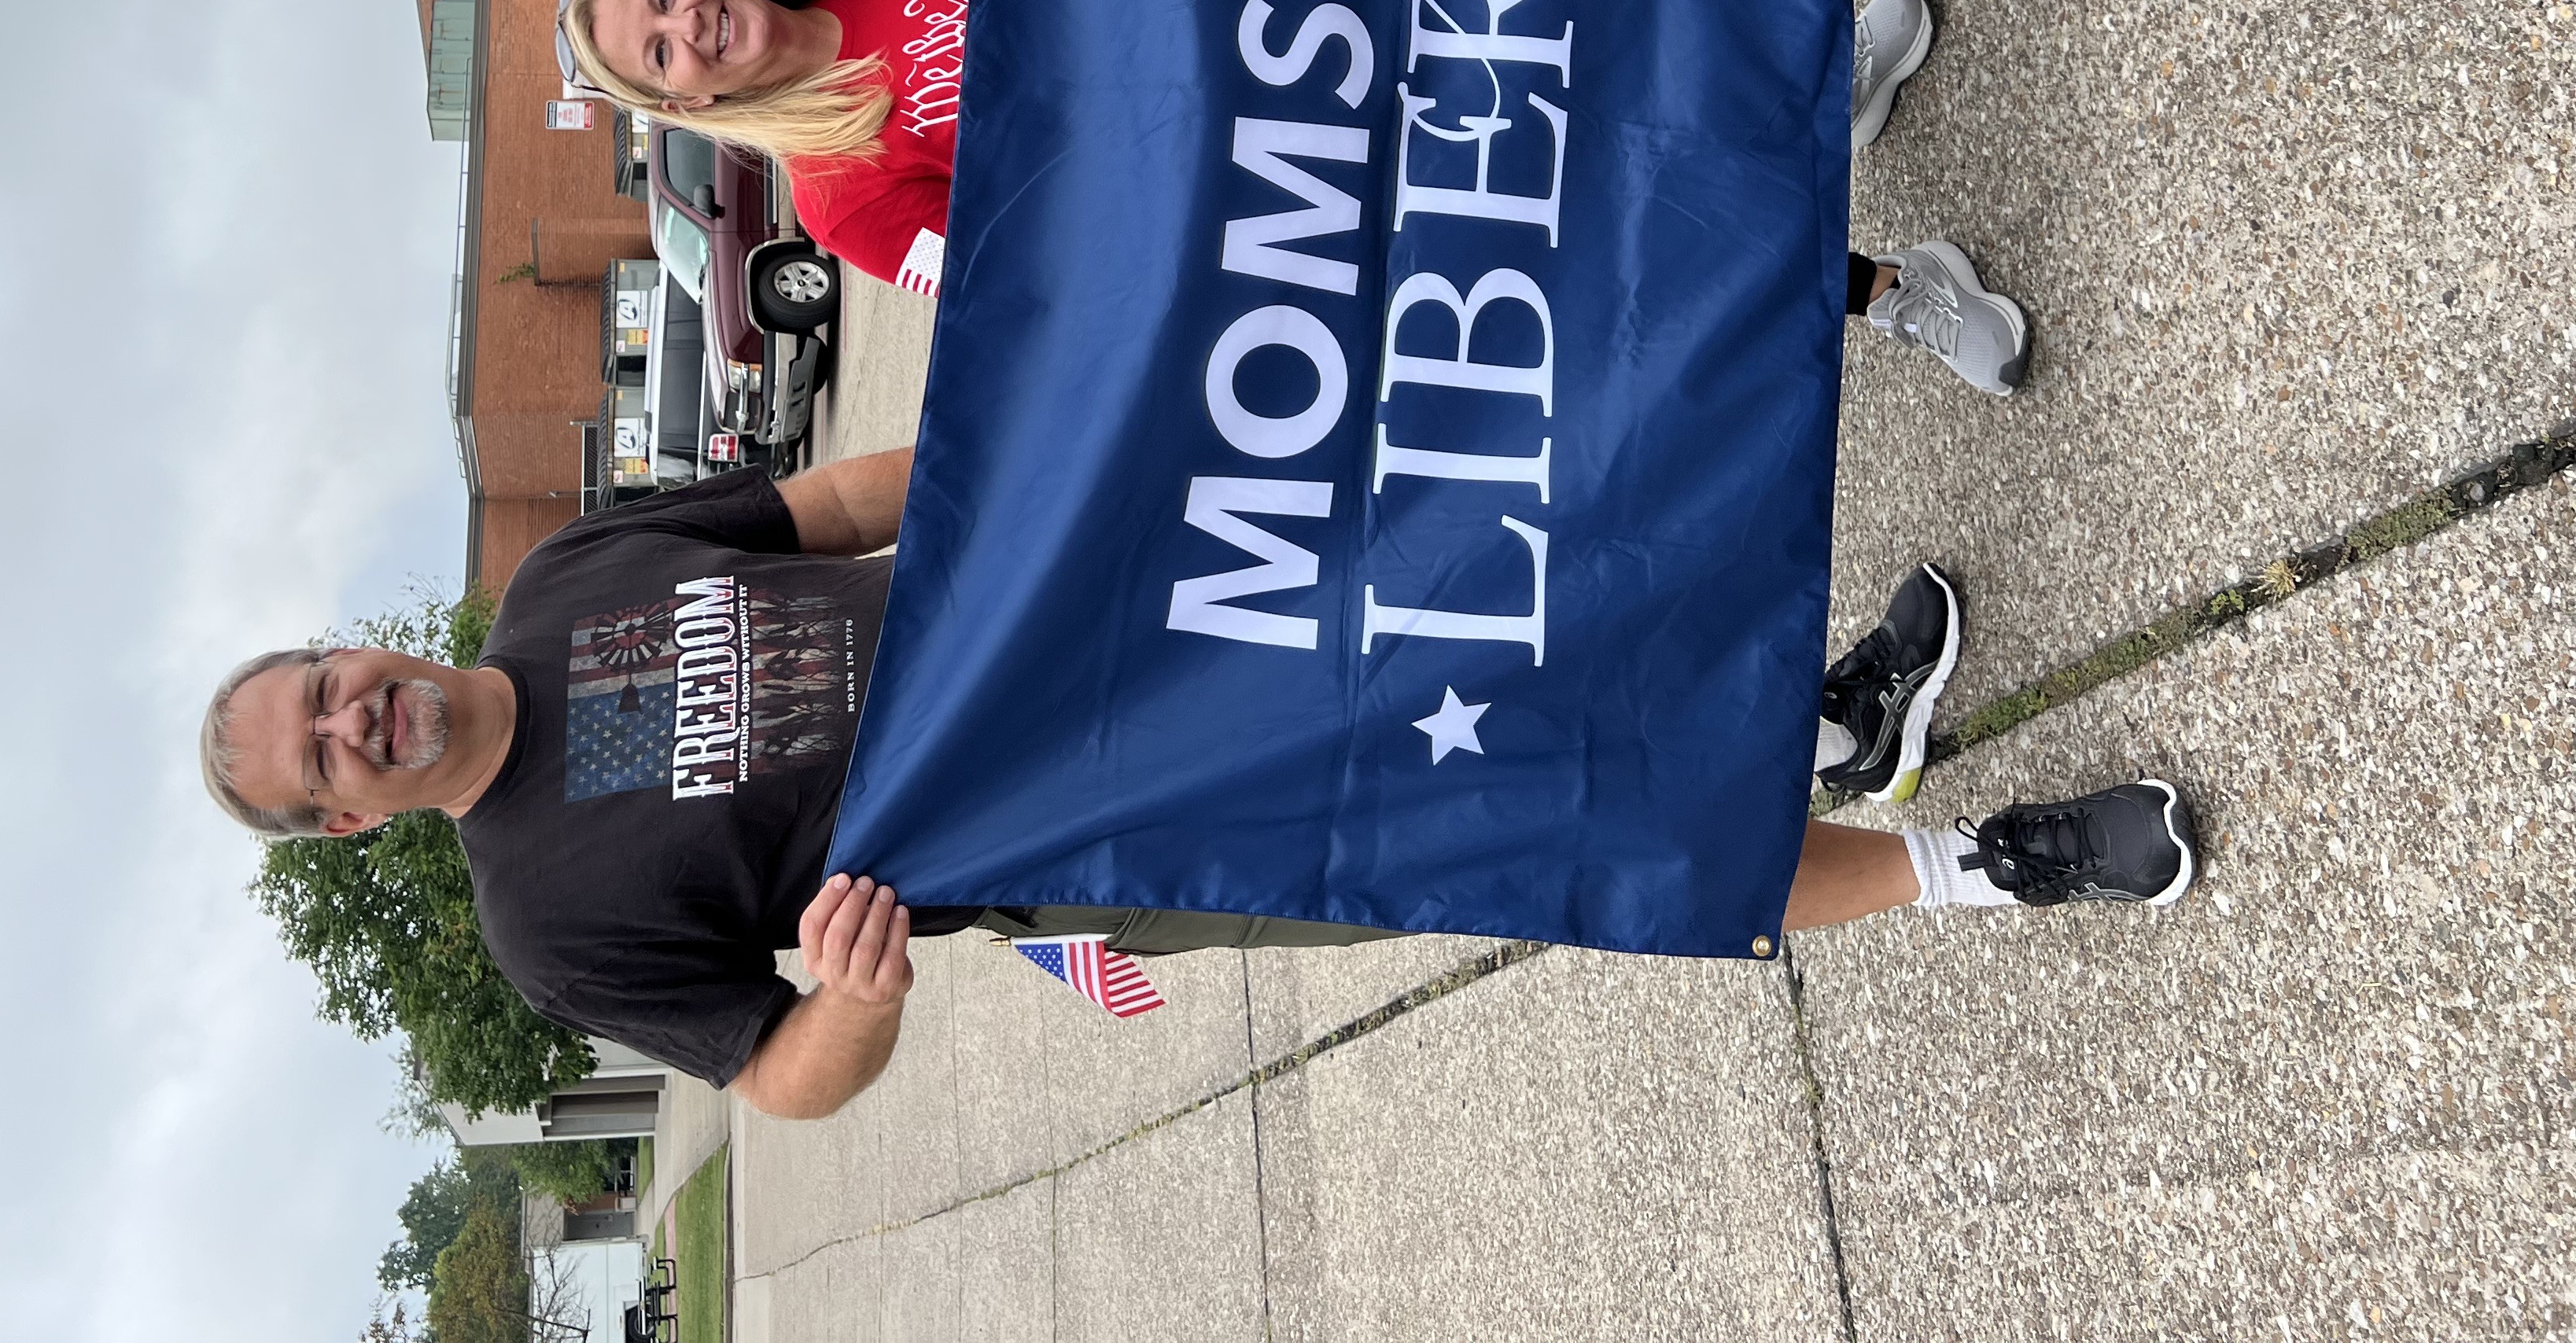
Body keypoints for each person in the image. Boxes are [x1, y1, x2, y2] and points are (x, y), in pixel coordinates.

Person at [197, 451, 2197, 1121]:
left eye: (327, 689)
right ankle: (1983, 867)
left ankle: (1828, 733)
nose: (356, 721)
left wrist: (1037, 448)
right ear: (348, 822)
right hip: (1118, 827)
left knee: (1486, 611)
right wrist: (858, 1003)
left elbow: (825, 506)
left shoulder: (561, 578)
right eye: (325, 760)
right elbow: (781, 1078)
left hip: (1122, 610)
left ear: (351, 648)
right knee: (1518, 826)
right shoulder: (546, 928)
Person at [557, 0, 2034, 394]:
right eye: (659, 53)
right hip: (1291, 179)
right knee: (1602, 222)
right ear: (678, 105)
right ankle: (1887, 291)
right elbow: (1036, 281)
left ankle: (1818, 91)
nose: (691, 26)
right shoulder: (838, 193)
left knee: (1598, 62)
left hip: (1300, 25)